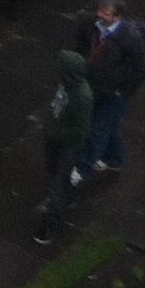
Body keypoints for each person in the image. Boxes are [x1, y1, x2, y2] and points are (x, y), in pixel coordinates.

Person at [78, 0, 145, 179]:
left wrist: (122, 90)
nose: (100, 15)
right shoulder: (93, 25)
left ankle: (81, 171)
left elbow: (143, 70)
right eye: (100, 10)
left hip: (115, 93)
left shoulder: (130, 38)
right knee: (109, 125)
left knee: (98, 131)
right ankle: (115, 159)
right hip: (97, 85)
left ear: (117, 16)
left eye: (105, 13)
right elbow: (81, 44)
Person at [34, 50, 92, 245]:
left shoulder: (82, 97)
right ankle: (70, 195)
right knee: (56, 174)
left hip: (66, 146)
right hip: (55, 140)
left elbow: (79, 131)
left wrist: (55, 133)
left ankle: (49, 225)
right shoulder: (67, 85)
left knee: (58, 185)